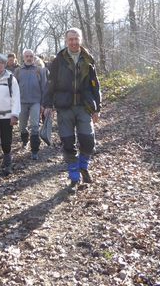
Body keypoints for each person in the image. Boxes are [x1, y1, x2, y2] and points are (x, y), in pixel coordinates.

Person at [43, 28, 101, 194]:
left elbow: (95, 85)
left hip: (84, 106)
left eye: (76, 39)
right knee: (68, 143)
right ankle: (74, 177)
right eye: (70, 39)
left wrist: (97, 107)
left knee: (88, 141)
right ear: (66, 41)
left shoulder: (88, 60)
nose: (74, 42)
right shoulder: (58, 60)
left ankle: (83, 167)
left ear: (80, 40)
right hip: (64, 107)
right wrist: (47, 104)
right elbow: (50, 83)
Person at [14, 49, 48, 160]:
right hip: (21, 102)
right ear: (23, 58)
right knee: (22, 127)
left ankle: (34, 151)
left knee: (35, 126)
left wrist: (43, 104)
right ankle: (25, 140)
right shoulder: (18, 71)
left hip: (35, 102)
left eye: (31, 56)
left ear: (34, 57)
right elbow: (14, 89)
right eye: (27, 56)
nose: (29, 58)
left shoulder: (39, 70)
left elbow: (44, 87)